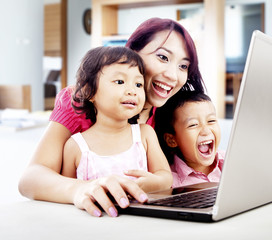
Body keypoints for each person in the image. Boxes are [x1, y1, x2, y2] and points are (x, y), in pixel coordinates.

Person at [18, 18, 205, 217]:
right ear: (132, 52)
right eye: (163, 57)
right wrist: (81, 189)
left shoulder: (166, 113)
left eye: (183, 66)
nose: (173, 76)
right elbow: (30, 179)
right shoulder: (80, 101)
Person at [61, 46, 172, 217]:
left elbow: (166, 178)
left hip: (142, 222)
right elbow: (67, 196)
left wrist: (151, 184)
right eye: (120, 82)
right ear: (88, 91)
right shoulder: (75, 146)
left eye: (138, 84)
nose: (132, 90)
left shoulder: (145, 134)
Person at [155, 90, 224, 188]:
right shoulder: (169, 182)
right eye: (193, 125)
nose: (206, 131)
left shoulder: (232, 162)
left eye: (211, 120)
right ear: (172, 140)